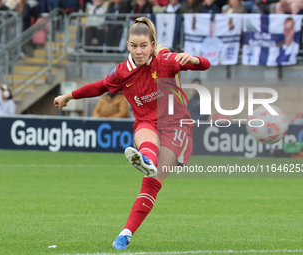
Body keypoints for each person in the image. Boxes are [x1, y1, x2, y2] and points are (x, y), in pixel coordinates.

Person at [53, 17, 210, 250]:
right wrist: (69, 96)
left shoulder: (165, 60)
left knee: (152, 182)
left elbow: (204, 65)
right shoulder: (121, 72)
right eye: (134, 46)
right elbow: (98, 87)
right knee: (146, 143)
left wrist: (194, 58)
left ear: (152, 44)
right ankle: (145, 166)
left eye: (144, 46)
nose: (139, 51)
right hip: (146, 121)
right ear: (127, 45)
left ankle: (129, 224)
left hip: (176, 125)